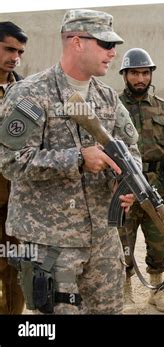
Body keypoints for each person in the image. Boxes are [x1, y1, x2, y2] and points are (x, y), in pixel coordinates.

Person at [0, 9, 140, 314]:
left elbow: (132, 148)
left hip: (103, 242)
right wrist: (77, 158)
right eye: (104, 44)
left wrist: (128, 181)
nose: (112, 52)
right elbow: (11, 161)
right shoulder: (29, 95)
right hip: (52, 246)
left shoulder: (107, 98)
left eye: (113, 45)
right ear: (76, 42)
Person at [118, 48, 164, 312]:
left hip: (156, 186)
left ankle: (158, 290)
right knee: (123, 240)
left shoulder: (163, 108)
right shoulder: (113, 106)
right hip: (125, 185)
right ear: (125, 75)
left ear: (151, 74)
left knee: (159, 239)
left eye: (144, 73)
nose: (140, 78)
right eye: (134, 73)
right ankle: (124, 290)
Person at [0, 21, 28, 315]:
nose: (15, 57)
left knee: (18, 271)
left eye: (19, 51)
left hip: (17, 202)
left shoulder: (25, 92)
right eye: (9, 48)